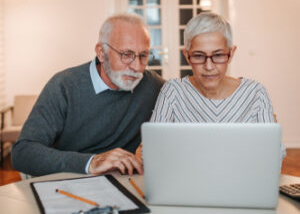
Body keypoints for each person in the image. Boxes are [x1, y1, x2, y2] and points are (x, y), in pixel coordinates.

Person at [12, 13, 164, 176]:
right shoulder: (64, 86)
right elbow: (23, 153)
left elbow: (185, 95)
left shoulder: (151, 84)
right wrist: (91, 162)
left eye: (143, 56)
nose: (136, 66)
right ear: (101, 52)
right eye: (126, 55)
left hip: (121, 182)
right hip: (68, 179)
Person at [149, 12, 285, 159]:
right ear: (187, 55)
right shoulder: (173, 91)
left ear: (231, 54)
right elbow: (151, 152)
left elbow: (274, 153)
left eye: (218, 55)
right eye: (199, 56)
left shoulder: (255, 93)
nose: (208, 66)